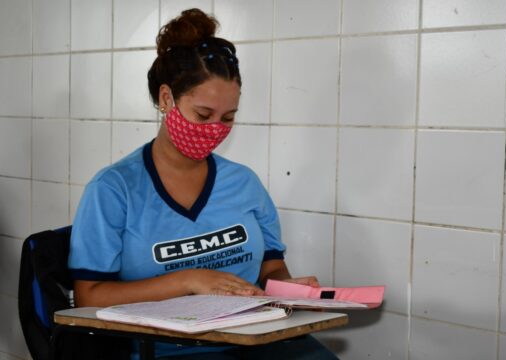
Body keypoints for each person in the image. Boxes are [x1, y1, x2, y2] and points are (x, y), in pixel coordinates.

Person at [69, 8, 338, 360]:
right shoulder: (114, 189)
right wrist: (189, 280)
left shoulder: (243, 182)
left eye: (228, 118)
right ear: (167, 99)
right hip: (168, 350)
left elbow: (270, 266)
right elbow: (89, 295)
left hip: (256, 339)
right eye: (202, 115)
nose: (215, 128)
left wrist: (287, 291)